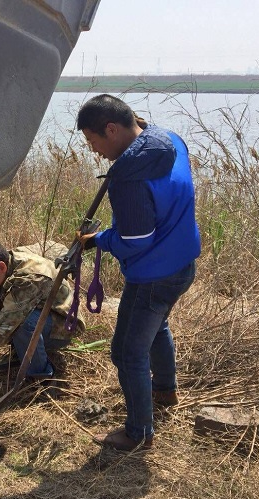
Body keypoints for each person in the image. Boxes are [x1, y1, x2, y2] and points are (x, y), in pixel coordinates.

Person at [77, 94, 200, 452]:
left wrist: (98, 239)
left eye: (93, 140)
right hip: (182, 265)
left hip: (153, 276)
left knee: (127, 353)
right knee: (157, 326)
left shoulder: (129, 177)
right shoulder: (170, 139)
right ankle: (165, 390)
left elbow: (135, 240)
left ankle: (139, 433)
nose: (94, 150)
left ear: (112, 129)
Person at [0, 239, 84, 383]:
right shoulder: (1, 265)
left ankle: (41, 376)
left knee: (22, 323)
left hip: (63, 325)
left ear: (1, 267)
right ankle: (21, 347)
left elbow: (6, 324)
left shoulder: (30, 277)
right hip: (36, 312)